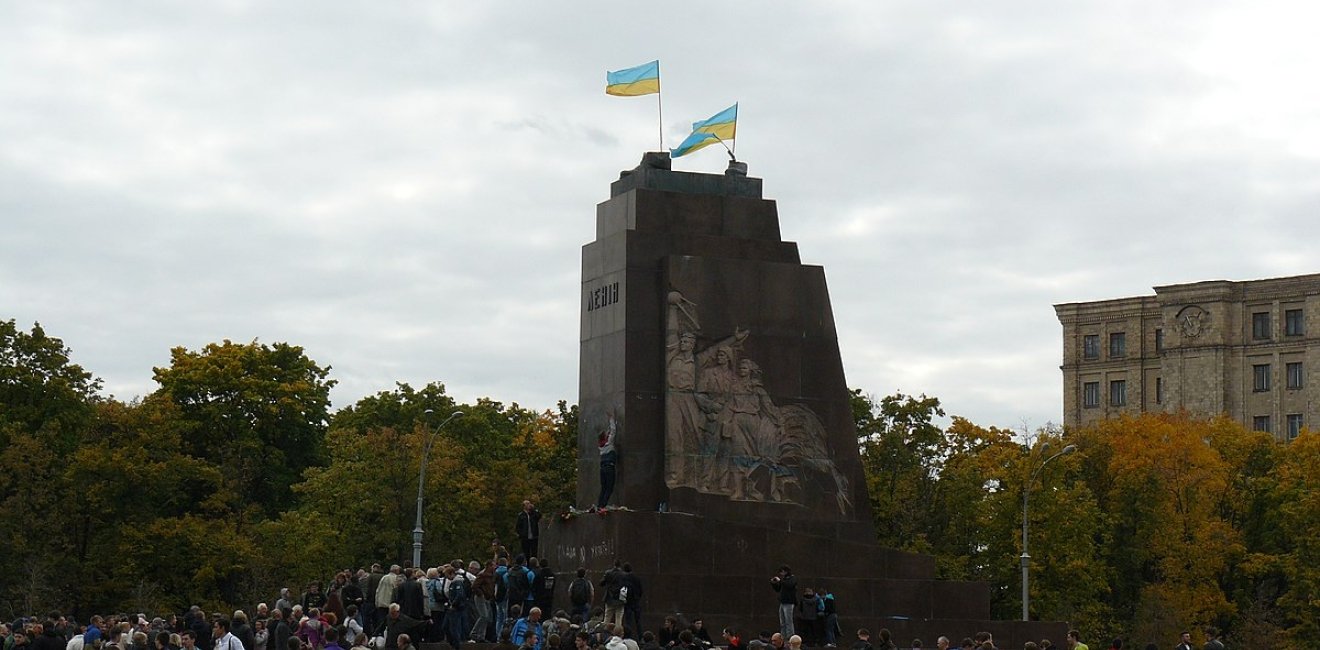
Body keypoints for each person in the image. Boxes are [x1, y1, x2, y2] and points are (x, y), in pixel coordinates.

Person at [769, 566, 797, 638]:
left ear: (786, 571)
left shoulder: (792, 578)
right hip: (782, 602)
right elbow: (778, 589)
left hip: (789, 602)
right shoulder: (784, 580)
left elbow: (789, 585)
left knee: (788, 621)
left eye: (782, 571)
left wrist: (780, 581)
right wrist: (773, 583)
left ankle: (790, 637)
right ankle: (783, 637)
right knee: (782, 622)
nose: (781, 573)